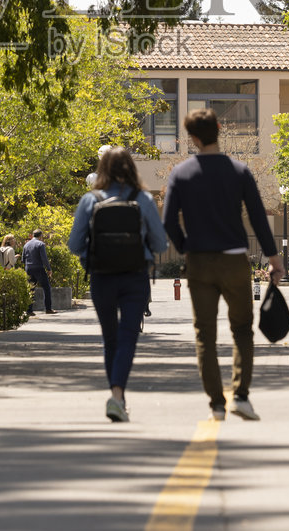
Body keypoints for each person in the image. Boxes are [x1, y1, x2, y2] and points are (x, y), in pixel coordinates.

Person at [162, 108, 284, 422]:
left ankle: (216, 403)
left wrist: (187, 247)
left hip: (199, 262)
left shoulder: (181, 173)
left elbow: (168, 221)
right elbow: (258, 217)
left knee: (205, 334)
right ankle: (240, 396)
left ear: (192, 137)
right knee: (242, 329)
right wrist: (273, 259)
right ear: (218, 128)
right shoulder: (239, 171)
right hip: (234, 260)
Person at [68, 147, 168, 423]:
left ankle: (117, 397)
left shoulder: (90, 200)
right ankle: (116, 395)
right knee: (128, 336)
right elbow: (160, 244)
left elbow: (75, 245)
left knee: (110, 338)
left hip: (101, 277)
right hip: (135, 277)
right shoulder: (143, 199)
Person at [23, 229, 55, 315]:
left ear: (33, 235)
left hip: (28, 268)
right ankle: (48, 309)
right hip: (39, 268)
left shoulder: (26, 245)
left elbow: (23, 259)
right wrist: (49, 269)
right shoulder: (41, 244)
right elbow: (44, 258)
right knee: (46, 288)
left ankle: (29, 310)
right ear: (40, 236)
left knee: (30, 289)